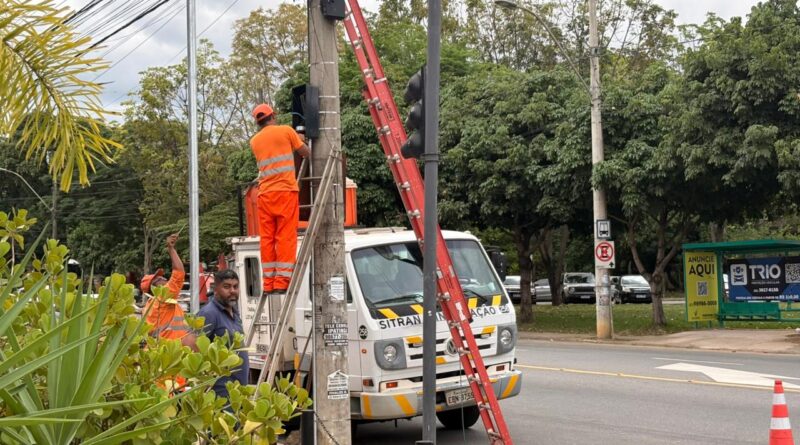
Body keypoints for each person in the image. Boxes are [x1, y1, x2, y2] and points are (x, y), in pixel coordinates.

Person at [249, 103, 310, 296]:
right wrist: (300, 140)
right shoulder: (286, 131)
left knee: (267, 238)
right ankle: (282, 281)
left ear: (258, 122)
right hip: (285, 192)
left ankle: (269, 283)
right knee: (285, 236)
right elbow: (305, 153)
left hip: (265, 194)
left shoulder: (254, 141)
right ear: (273, 115)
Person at [197, 269, 249, 400]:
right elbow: (194, 347)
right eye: (226, 287)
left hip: (237, 391)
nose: (232, 291)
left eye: (235, 287)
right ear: (216, 289)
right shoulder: (209, 314)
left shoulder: (235, 313)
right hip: (220, 393)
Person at [141, 233, 197, 351]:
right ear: (152, 289)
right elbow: (179, 273)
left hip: (162, 351)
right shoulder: (162, 298)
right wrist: (171, 249)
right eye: (159, 279)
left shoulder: (151, 304)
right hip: (170, 352)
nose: (164, 279)